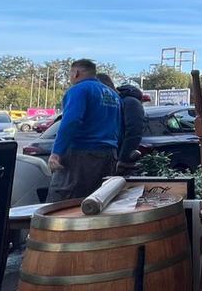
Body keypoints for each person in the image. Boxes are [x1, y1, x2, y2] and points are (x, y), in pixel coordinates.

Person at [46, 58, 120, 202]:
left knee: (61, 202)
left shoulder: (79, 90)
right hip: (108, 155)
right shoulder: (113, 95)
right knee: (95, 201)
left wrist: (56, 153)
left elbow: (71, 121)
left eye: (70, 74)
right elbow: (119, 126)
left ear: (76, 73)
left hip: (81, 155)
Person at [115, 82, 146, 173]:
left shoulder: (130, 102)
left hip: (120, 157)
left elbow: (134, 131)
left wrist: (123, 158)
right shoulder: (129, 102)